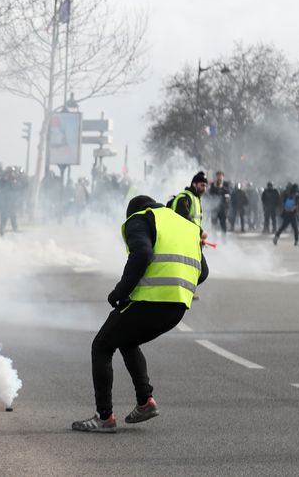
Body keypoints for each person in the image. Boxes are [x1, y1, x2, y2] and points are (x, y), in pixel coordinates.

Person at [70, 195, 208, 433]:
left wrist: (120, 292)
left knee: (102, 346)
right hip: (178, 307)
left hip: (151, 300)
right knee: (127, 340)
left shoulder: (140, 218)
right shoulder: (186, 225)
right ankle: (145, 401)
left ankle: (104, 417)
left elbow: (141, 254)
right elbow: (203, 272)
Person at [169, 171, 207, 238]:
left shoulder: (196, 199)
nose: (204, 189)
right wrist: (200, 233)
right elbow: (183, 218)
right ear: (194, 184)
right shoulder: (185, 197)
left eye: (205, 186)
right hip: (181, 238)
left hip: (189, 237)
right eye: (202, 185)